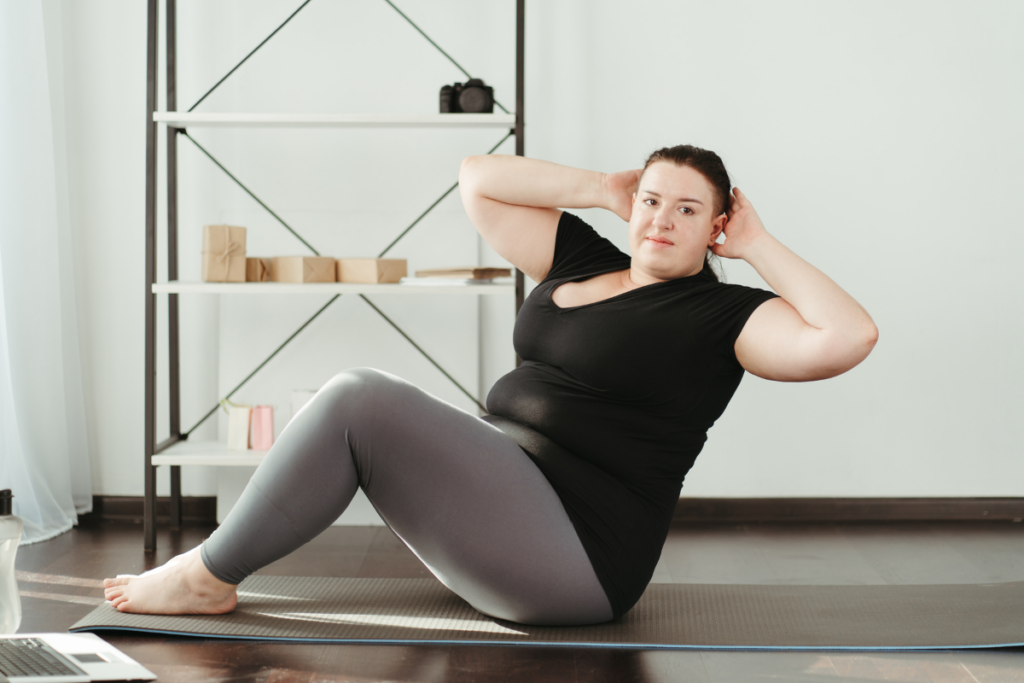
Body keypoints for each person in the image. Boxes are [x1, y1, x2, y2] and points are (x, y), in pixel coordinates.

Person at [103, 145, 877, 625]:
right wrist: (601, 189)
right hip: (507, 505)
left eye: (686, 209)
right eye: (651, 199)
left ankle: (204, 576)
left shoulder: (724, 313)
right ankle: (208, 570)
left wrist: (759, 243)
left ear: (715, 228)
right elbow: (478, 178)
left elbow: (848, 336)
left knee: (357, 397)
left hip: (576, 556)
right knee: (348, 403)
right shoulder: (582, 258)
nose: (659, 220)